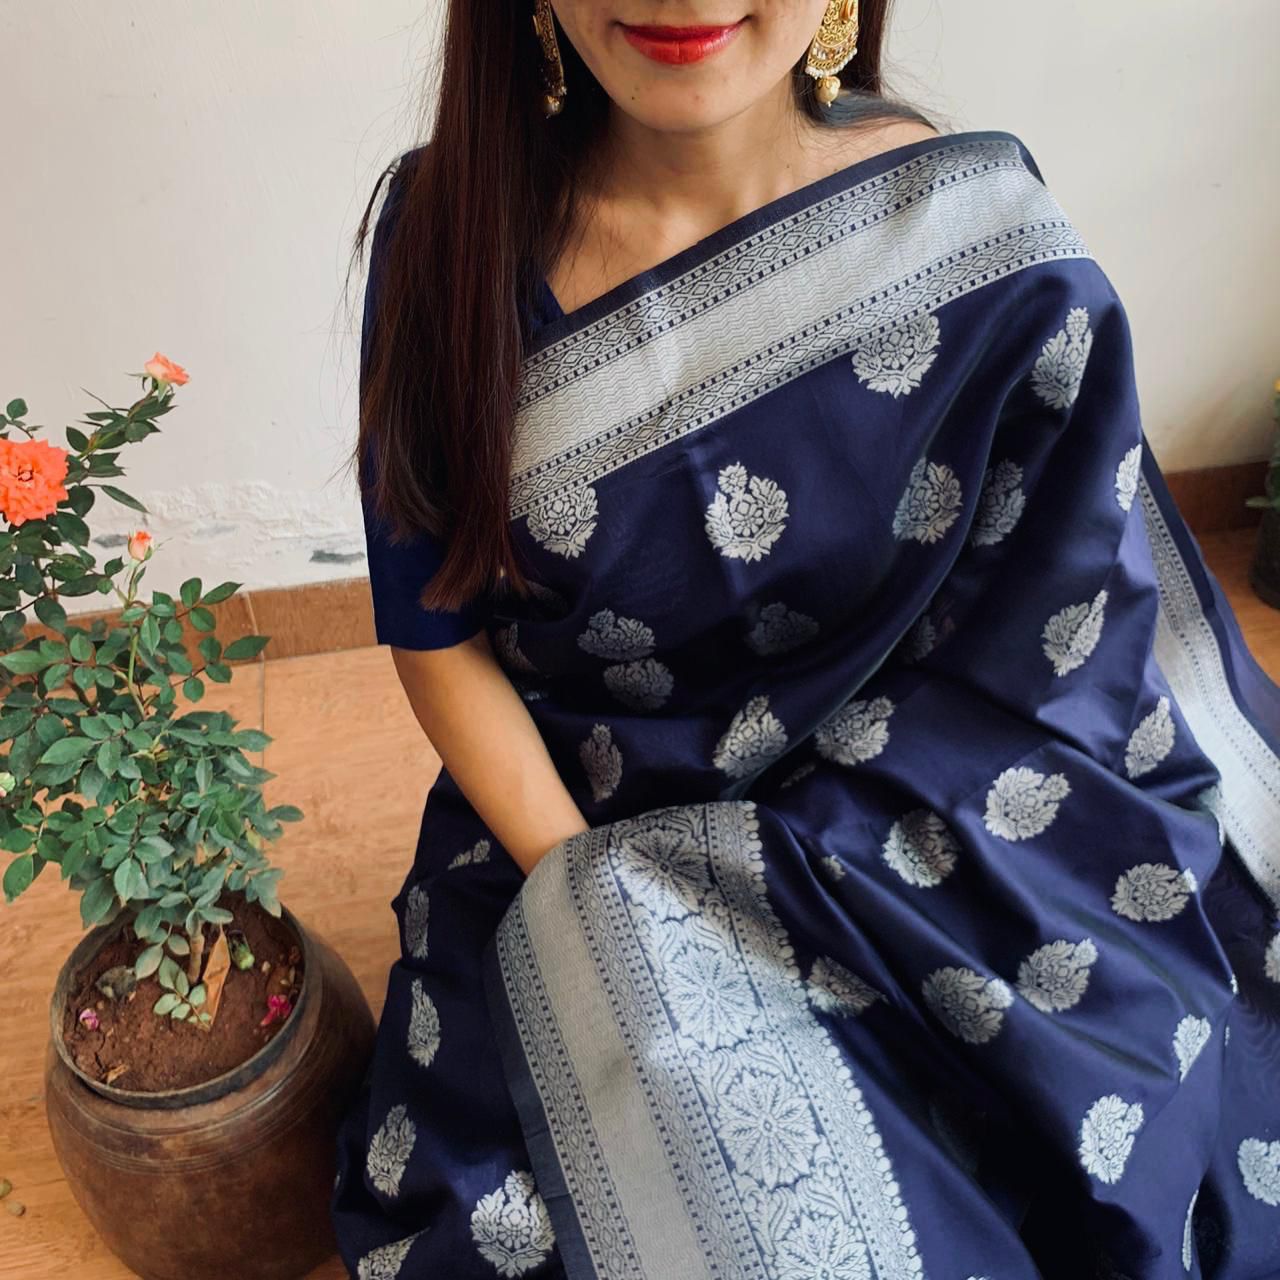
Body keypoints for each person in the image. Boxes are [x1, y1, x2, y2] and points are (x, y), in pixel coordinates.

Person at [330, 3, 1280, 1277]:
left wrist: (831, 881)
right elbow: (434, 634)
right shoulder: (450, 233)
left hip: (927, 832)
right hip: (585, 816)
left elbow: (1057, 639)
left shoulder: (961, 240)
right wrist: (611, 900)